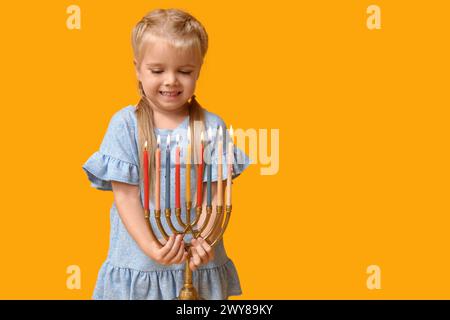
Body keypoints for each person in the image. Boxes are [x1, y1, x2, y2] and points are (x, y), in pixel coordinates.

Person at [82, 8, 250, 300]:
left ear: (199, 69)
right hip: (140, 264)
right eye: (157, 70)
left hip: (198, 265)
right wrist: (152, 248)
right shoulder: (125, 125)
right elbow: (125, 196)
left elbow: (218, 196)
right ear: (138, 68)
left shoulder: (212, 126)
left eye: (184, 71)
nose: (171, 80)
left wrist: (203, 240)